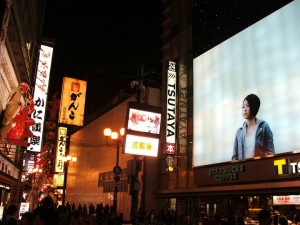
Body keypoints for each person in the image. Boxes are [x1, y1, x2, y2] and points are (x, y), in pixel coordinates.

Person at [232, 93, 275, 160]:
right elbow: (234, 157)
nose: (245, 109)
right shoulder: (239, 132)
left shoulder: (264, 127)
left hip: (260, 168)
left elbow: (271, 152)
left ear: (254, 107)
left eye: (248, 106)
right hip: (243, 169)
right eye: (243, 106)